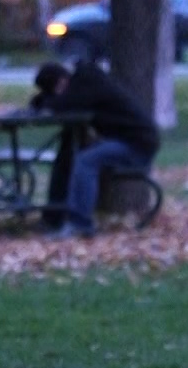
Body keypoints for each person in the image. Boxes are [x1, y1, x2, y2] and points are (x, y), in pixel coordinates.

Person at [30, 60, 159, 239]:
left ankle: (80, 223)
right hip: (127, 141)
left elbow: (62, 105)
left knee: (86, 161)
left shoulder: (86, 82)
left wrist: (44, 102)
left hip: (136, 144)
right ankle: (54, 216)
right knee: (69, 156)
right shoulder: (84, 83)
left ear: (61, 83)